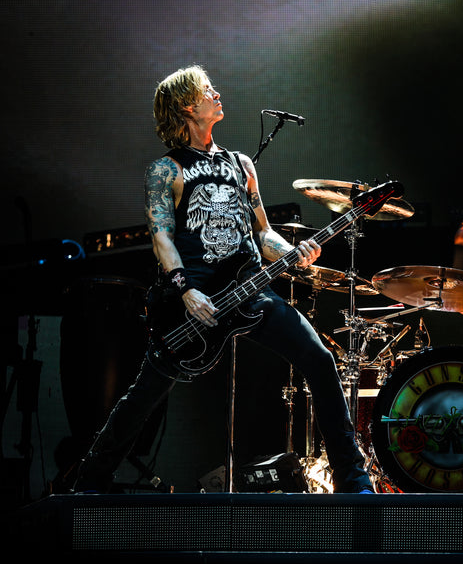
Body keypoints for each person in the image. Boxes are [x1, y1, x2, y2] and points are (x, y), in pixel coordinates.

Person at [73, 65, 373, 494]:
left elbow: (263, 233)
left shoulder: (241, 164)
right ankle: (88, 482)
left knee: (320, 360)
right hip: (193, 302)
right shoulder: (165, 171)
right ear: (186, 106)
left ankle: (352, 478)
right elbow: (161, 238)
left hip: (250, 290)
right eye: (207, 90)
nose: (217, 94)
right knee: (144, 396)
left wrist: (295, 254)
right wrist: (185, 290)